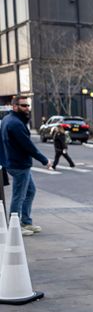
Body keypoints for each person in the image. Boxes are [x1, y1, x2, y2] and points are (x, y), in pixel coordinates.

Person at [0, 95, 53, 235]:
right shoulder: (15, 123)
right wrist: (44, 160)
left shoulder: (8, 120)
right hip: (19, 164)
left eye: (28, 105)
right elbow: (28, 146)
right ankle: (15, 226)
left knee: (30, 191)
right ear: (15, 106)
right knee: (19, 195)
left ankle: (26, 222)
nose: (27, 108)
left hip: (14, 162)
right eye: (23, 105)